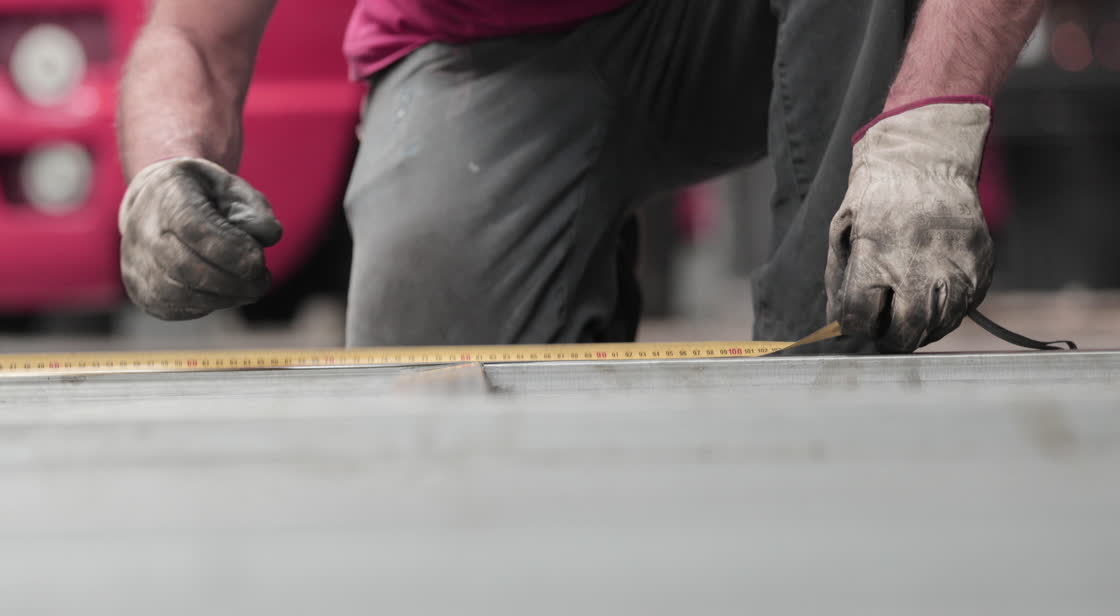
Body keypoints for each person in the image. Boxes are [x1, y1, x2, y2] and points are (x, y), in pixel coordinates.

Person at [117, 0, 1044, 353]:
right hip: (487, 56)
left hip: (727, 24)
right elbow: (191, 34)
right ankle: (563, 252)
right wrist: (165, 172)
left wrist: (929, 127)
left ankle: (832, 345)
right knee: (431, 382)